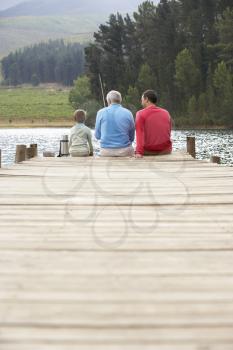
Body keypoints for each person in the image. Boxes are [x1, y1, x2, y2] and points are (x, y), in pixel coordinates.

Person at [95, 90, 135, 157]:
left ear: (109, 101)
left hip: (106, 152)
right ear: (120, 100)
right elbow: (132, 138)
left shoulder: (100, 112)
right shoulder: (128, 113)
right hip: (125, 151)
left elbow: (97, 136)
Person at [135, 90, 172, 158]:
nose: (141, 102)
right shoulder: (166, 113)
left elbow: (139, 134)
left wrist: (138, 152)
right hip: (166, 151)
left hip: (149, 151)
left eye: (142, 99)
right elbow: (168, 131)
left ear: (146, 99)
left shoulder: (140, 114)